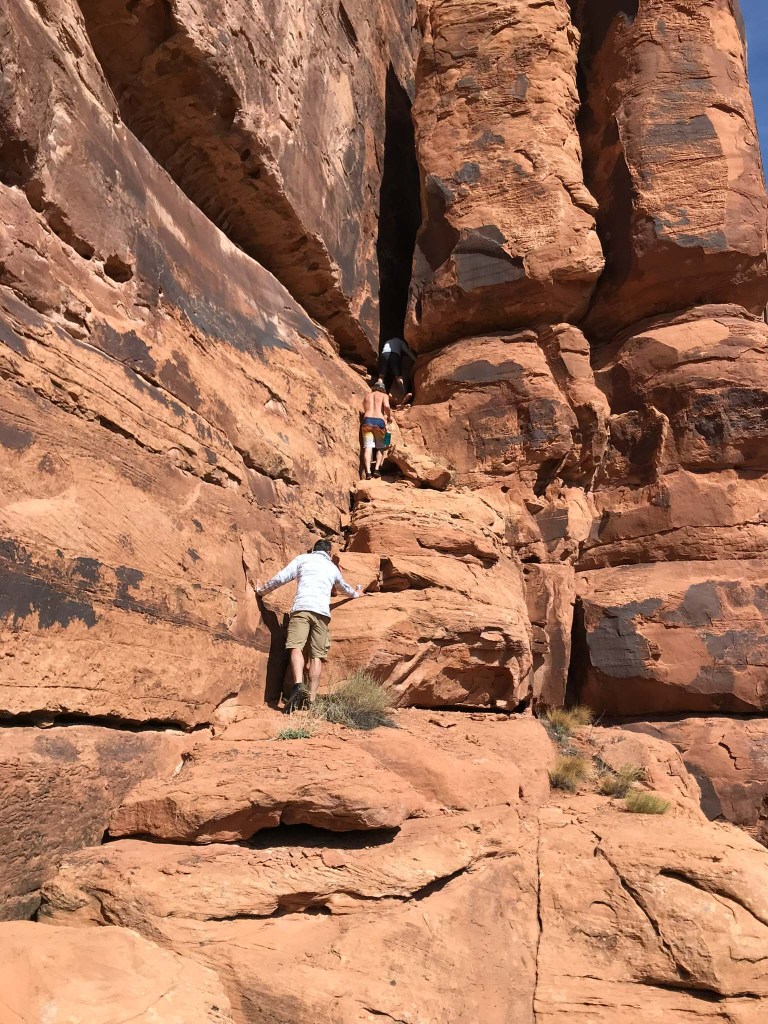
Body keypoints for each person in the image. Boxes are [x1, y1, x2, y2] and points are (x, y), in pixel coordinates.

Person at [255, 539, 364, 706]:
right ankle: (311, 699)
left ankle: (297, 685)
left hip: (302, 609)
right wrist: (356, 594)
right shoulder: (332, 568)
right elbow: (344, 588)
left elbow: (281, 578)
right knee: (316, 656)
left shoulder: (303, 559)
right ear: (328, 553)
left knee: (296, 646)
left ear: (314, 550)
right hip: (322, 614)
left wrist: (262, 590)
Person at [361, 381, 391, 479]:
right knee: (380, 447)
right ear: (383, 388)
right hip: (379, 421)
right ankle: (377, 470)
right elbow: (386, 406)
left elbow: (365, 408)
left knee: (368, 447)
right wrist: (389, 417)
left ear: (374, 387)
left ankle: (368, 472)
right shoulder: (384, 395)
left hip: (367, 421)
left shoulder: (367, 396)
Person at [377, 336, 416, 400]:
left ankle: (379, 386)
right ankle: (401, 389)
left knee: (381, 376)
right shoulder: (400, 342)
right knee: (398, 376)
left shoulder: (388, 341)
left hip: (384, 354)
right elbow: (408, 351)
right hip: (394, 355)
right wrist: (415, 360)